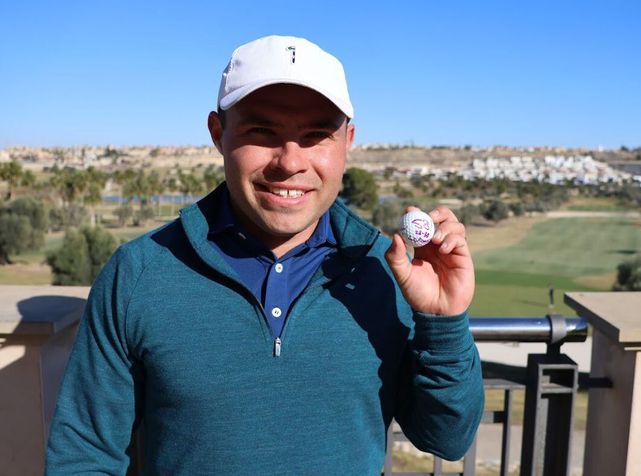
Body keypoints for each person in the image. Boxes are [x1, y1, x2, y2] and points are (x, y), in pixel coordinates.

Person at [45, 35, 484, 475]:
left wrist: (443, 321)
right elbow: (84, 456)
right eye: (262, 131)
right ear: (219, 134)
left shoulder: (384, 269)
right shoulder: (139, 273)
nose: (289, 162)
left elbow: (445, 438)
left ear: (347, 141)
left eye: (316, 135)